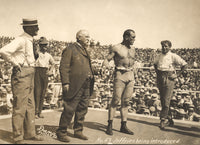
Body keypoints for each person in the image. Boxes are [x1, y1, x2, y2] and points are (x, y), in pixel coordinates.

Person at [0, 18, 44, 144]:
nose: (37, 29)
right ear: (27, 28)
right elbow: (3, 51)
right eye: (35, 27)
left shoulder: (30, 40)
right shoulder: (20, 39)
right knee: (20, 106)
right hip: (22, 73)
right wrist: (15, 63)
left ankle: (30, 134)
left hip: (31, 72)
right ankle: (17, 137)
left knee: (30, 105)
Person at [56, 30, 94, 142]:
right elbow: (63, 67)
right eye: (86, 36)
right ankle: (61, 132)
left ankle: (78, 131)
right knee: (69, 108)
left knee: (83, 108)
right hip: (75, 84)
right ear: (78, 37)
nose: (89, 38)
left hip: (87, 84)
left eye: (89, 36)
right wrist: (65, 82)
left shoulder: (85, 49)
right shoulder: (70, 49)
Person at [102, 29, 136, 135]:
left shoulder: (133, 48)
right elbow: (107, 59)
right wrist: (106, 66)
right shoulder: (116, 47)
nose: (134, 39)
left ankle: (123, 125)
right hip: (120, 75)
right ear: (126, 37)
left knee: (126, 102)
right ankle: (110, 125)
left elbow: (132, 62)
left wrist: (134, 70)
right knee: (116, 100)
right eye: (132, 37)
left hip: (130, 76)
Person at [154, 40, 187, 130]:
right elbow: (155, 64)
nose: (164, 48)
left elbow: (184, 65)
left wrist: (177, 74)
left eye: (166, 46)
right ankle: (170, 119)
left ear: (170, 47)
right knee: (162, 99)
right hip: (160, 77)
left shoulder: (173, 56)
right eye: (163, 46)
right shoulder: (159, 56)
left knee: (166, 99)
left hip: (169, 78)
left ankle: (162, 120)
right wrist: (158, 74)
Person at [34, 37, 55, 119]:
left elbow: (53, 64)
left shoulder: (48, 55)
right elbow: (35, 55)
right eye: (43, 45)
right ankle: (35, 112)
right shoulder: (37, 54)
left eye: (46, 45)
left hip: (45, 72)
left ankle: (40, 112)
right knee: (37, 92)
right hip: (37, 72)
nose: (45, 47)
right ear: (40, 46)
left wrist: (50, 71)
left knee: (43, 92)